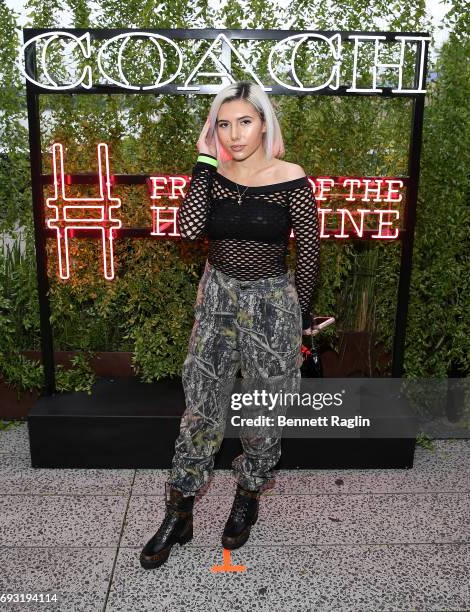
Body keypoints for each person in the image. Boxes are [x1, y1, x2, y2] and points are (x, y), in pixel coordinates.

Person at [140, 80, 320, 570]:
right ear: (213, 129)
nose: (235, 134)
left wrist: (300, 318)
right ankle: (179, 511)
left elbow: (308, 250)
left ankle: (248, 493)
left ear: (264, 123)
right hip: (217, 296)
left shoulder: (290, 176)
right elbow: (190, 228)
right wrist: (202, 162)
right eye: (224, 123)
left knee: (264, 411)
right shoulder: (213, 174)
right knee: (201, 407)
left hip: (272, 305)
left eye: (245, 121)